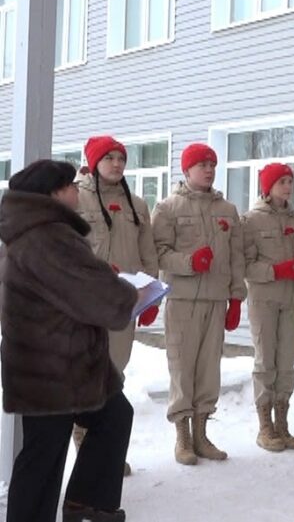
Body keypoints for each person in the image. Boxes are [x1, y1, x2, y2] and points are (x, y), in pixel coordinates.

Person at [0, 160, 137, 522]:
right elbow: (99, 295)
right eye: (72, 185)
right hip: (51, 365)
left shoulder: (36, 232)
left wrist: (98, 278)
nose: (78, 191)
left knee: (114, 415)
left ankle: (86, 503)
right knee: (44, 454)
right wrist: (129, 294)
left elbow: (70, 285)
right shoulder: (48, 236)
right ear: (54, 193)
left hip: (65, 361)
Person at [151, 143, 247, 465]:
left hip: (216, 299)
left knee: (209, 370)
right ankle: (182, 438)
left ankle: (202, 434)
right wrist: (189, 261)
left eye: (212, 165)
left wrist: (236, 298)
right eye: (202, 164)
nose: (208, 170)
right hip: (181, 300)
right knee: (182, 367)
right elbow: (159, 253)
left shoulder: (228, 211)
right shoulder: (168, 208)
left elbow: (236, 258)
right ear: (187, 169)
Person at [74, 136, 160, 476]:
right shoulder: (76, 198)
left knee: (115, 373)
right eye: (108, 158)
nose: (116, 164)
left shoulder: (136, 204)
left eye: (121, 158)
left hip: (124, 303)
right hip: (86, 304)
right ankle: (84, 444)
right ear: (94, 162)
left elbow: (148, 253)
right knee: (86, 372)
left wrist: (150, 292)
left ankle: (105, 445)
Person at [242, 163, 294, 452]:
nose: (287, 186)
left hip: (293, 303)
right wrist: (276, 271)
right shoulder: (250, 221)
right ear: (268, 186)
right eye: (282, 181)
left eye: (290, 181)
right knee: (266, 363)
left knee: (287, 364)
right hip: (264, 302)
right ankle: (265, 425)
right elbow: (246, 266)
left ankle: (282, 422)